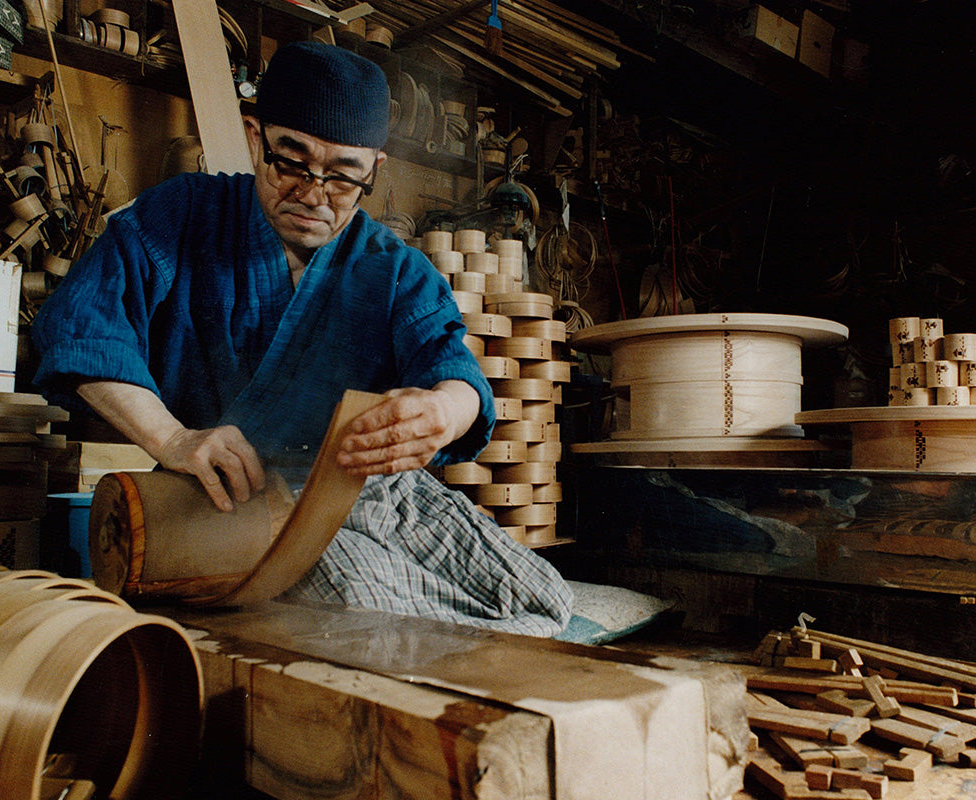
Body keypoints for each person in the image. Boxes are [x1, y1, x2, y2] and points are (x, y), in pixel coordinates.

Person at [32, 41, 573, 635]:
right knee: (375, 620)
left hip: (375, 494)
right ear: (253, 136)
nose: (315, 194)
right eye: (292, 161)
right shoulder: (180, 216)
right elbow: (83, 326)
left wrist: (443, 410)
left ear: (375, 169)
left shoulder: (393, 268)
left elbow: (453, 370)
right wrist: (175, 438)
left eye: (344, 176)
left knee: (546, 601)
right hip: (238, 505)